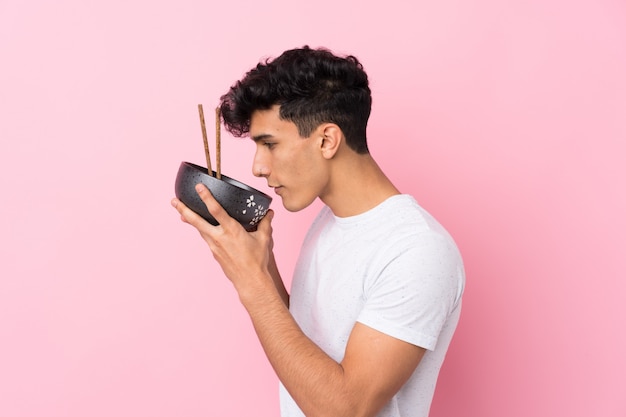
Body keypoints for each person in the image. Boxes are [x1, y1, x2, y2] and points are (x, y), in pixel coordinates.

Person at [171, 46, 465, 417]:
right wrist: (261, 265)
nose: (258, 167)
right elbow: (309, 346)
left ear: (327, 140)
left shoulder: (417, 250)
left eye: (269, 144)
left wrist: (250, 281)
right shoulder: (328, 222)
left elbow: (346, 408)